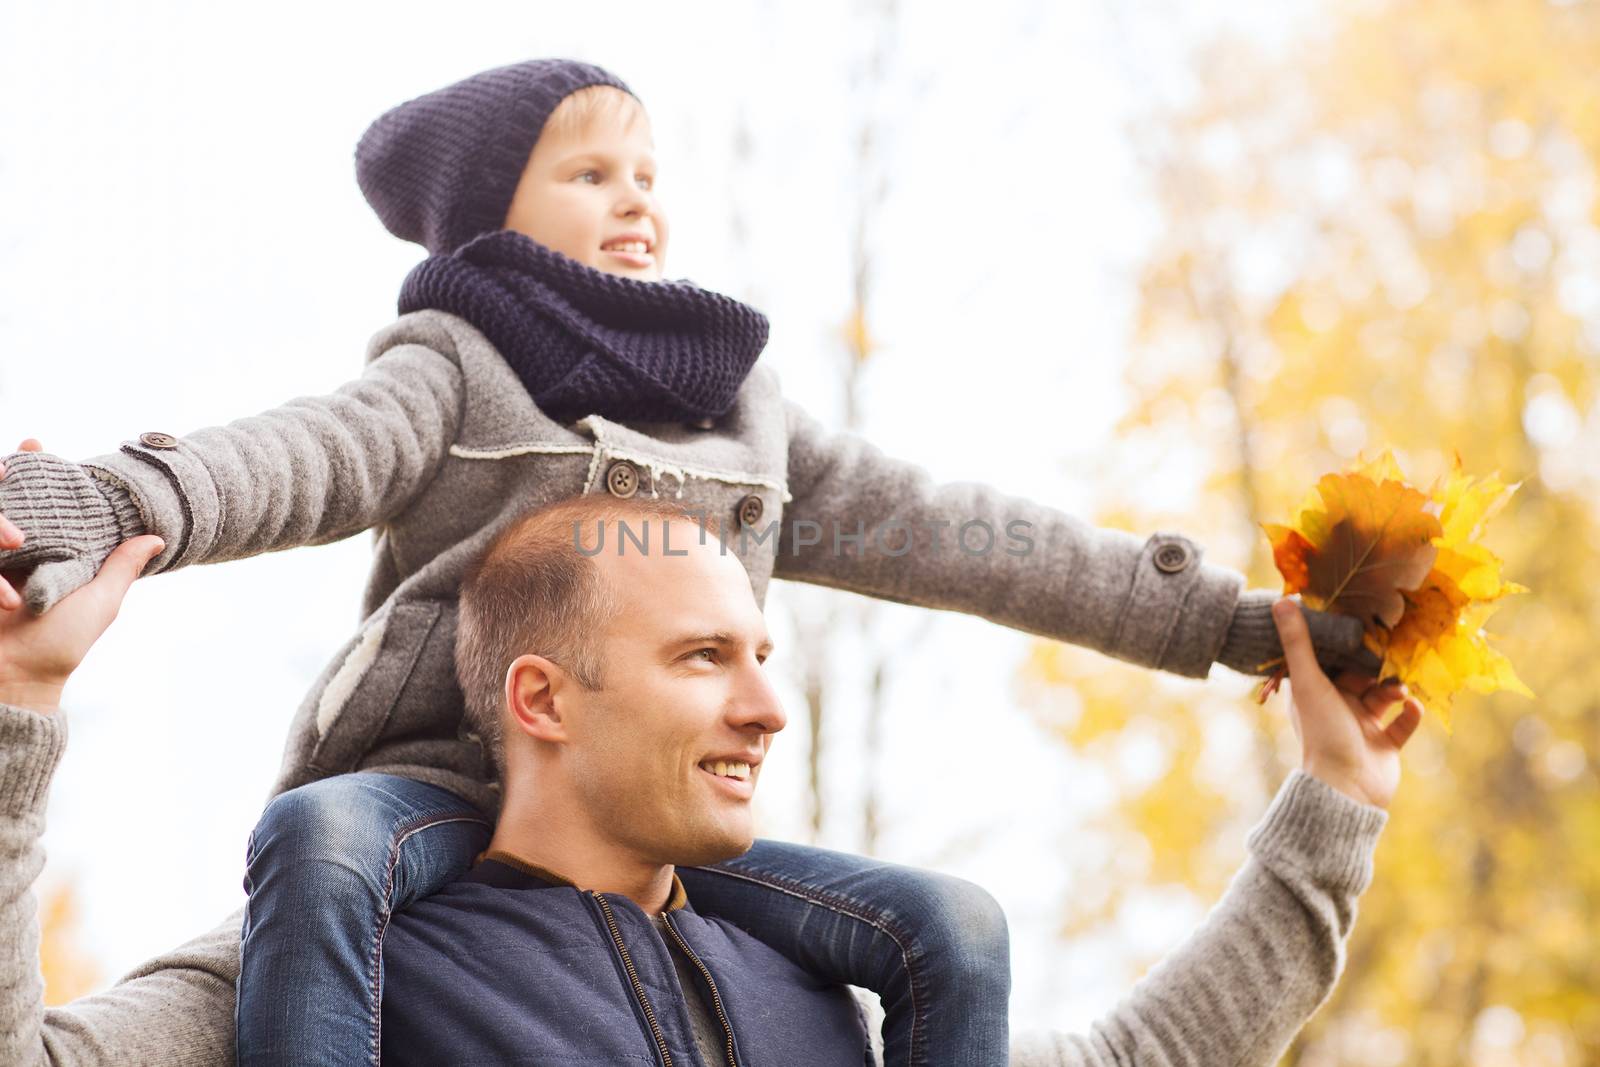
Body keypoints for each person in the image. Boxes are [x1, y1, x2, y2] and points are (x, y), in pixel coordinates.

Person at [0, 59, 1376, 1066]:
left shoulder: (748, 421)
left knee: (952, 923)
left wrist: (1251, 642)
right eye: (589, 173)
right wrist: (94, 516)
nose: (634, 201)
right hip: (415, 796)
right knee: (313, 835)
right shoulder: (454, 377)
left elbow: (979, 545)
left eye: (649, 175)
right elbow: (291, 462)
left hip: (676, 859)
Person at [0, 495, 1422, 1065]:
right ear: (542, 698)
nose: (769, 707)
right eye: (703, 659)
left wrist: (1335, 805)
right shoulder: (353, 959)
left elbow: (1136, 1060)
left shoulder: (827, 991)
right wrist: (21, 711)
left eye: (765, 653)